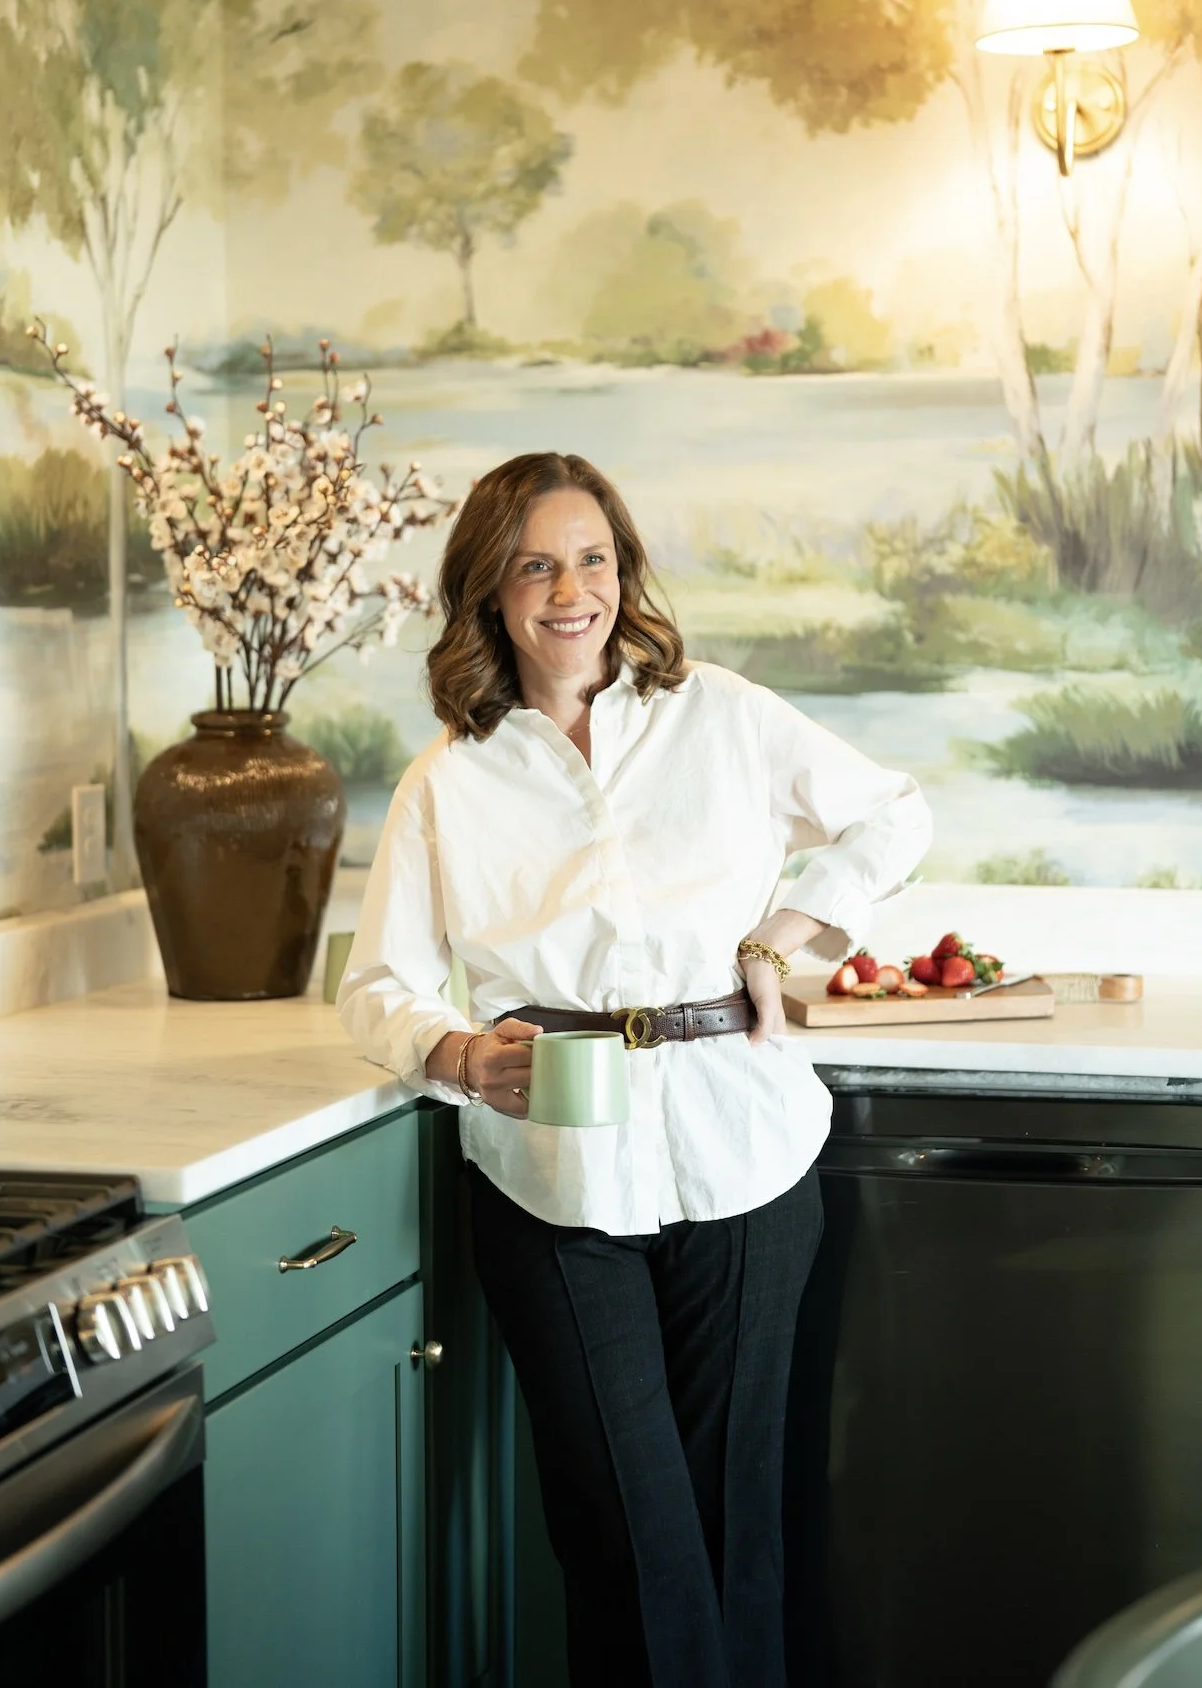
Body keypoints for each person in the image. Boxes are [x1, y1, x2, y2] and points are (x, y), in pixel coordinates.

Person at [338, 450, 931, 1688]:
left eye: (593, 557)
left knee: (733, 1525)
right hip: (550, 1172)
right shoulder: (448, 775)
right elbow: (375, 986)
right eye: (536, 563)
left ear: (624, 570)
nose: (572, 588)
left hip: (745, 1152)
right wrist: (457, 1052)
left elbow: (892, 815)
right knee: (624, 1531)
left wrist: (785, 933)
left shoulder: (718, 710)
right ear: (489, 590)